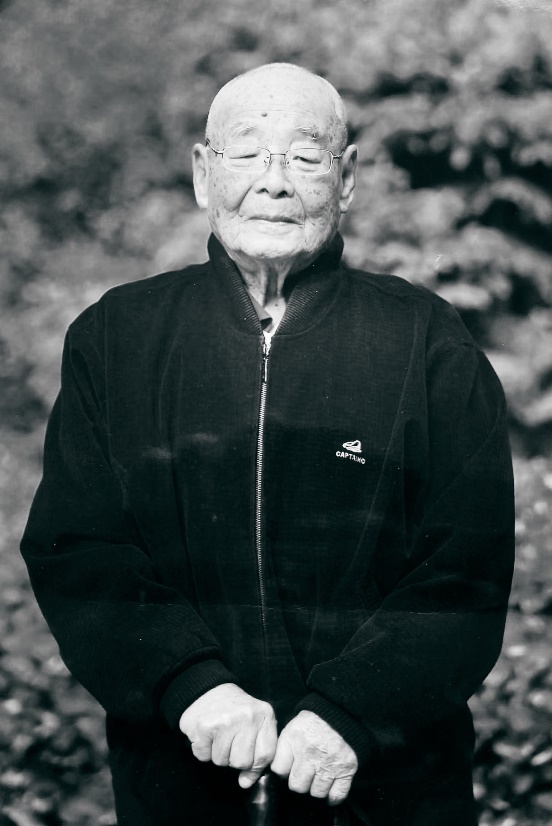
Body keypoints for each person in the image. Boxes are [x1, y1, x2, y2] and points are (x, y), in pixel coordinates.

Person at [21, 63, 515, 826]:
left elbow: (466, 570)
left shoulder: (426, 341)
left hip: (386, 793)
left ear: (346, 179)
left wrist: (352, 712)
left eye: (305, 156)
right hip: (180, 789)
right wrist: (190, 684)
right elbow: (80, 550)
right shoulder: (117, 338)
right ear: (203, 173)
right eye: (248, 153)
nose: (274, 183)